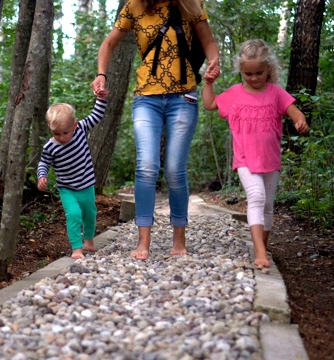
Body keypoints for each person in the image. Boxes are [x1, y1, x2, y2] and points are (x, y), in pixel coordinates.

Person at [91, 0, 220, 260]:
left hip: (183, 98)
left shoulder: (189, 4)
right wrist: (101, 74)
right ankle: (143, 242)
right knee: (147, 166)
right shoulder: (133, 7)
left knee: (174, 169)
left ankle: (179, 240)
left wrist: (214, 63)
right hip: (146, 99)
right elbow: (108, 44)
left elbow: (209, 42)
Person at [202, 39, 310, 268]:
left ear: (269, 69)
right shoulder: (235, 94)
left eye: (258, 73)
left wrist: (300, 121)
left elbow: (294, 111)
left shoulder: (276, 93)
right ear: (241, 71)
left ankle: (264, 245)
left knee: (268, 205)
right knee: (257, 198)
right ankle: (259, 251)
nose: (253, 78)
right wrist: (209, 83)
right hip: (245, 161)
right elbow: (210, 104)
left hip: (271, 161)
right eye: (248, 74)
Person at [37, 94, 108, 260]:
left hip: (86, 184)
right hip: (67, 188)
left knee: (90, 213)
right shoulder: (50, 147)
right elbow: (44, 163)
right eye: (56, 134)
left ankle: (89, 240)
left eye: (65, 133)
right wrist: (42, 176)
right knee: (74, 214)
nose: (61, 137)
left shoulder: (81, 129)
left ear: (75, 126)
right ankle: (77, 248)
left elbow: (96, 115)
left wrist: (101, 98)